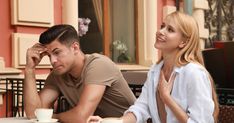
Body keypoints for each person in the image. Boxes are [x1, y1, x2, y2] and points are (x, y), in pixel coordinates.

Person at [87, 11, 219, 123]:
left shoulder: (194, 73)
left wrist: (167, 98)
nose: (160, 31)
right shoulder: (155, 71)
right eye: (162, 26)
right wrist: (115, 121)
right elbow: (141, 108)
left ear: (184, 42)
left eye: (170, 30)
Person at [24, 24, 136, 123]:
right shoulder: (58, 74)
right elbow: (34, 114)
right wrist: (29, 70)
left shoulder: (98, 65)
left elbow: (81, 117)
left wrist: (52, 117)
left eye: (57, 52)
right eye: (49, 56)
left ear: (75, 48)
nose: (52, 60)